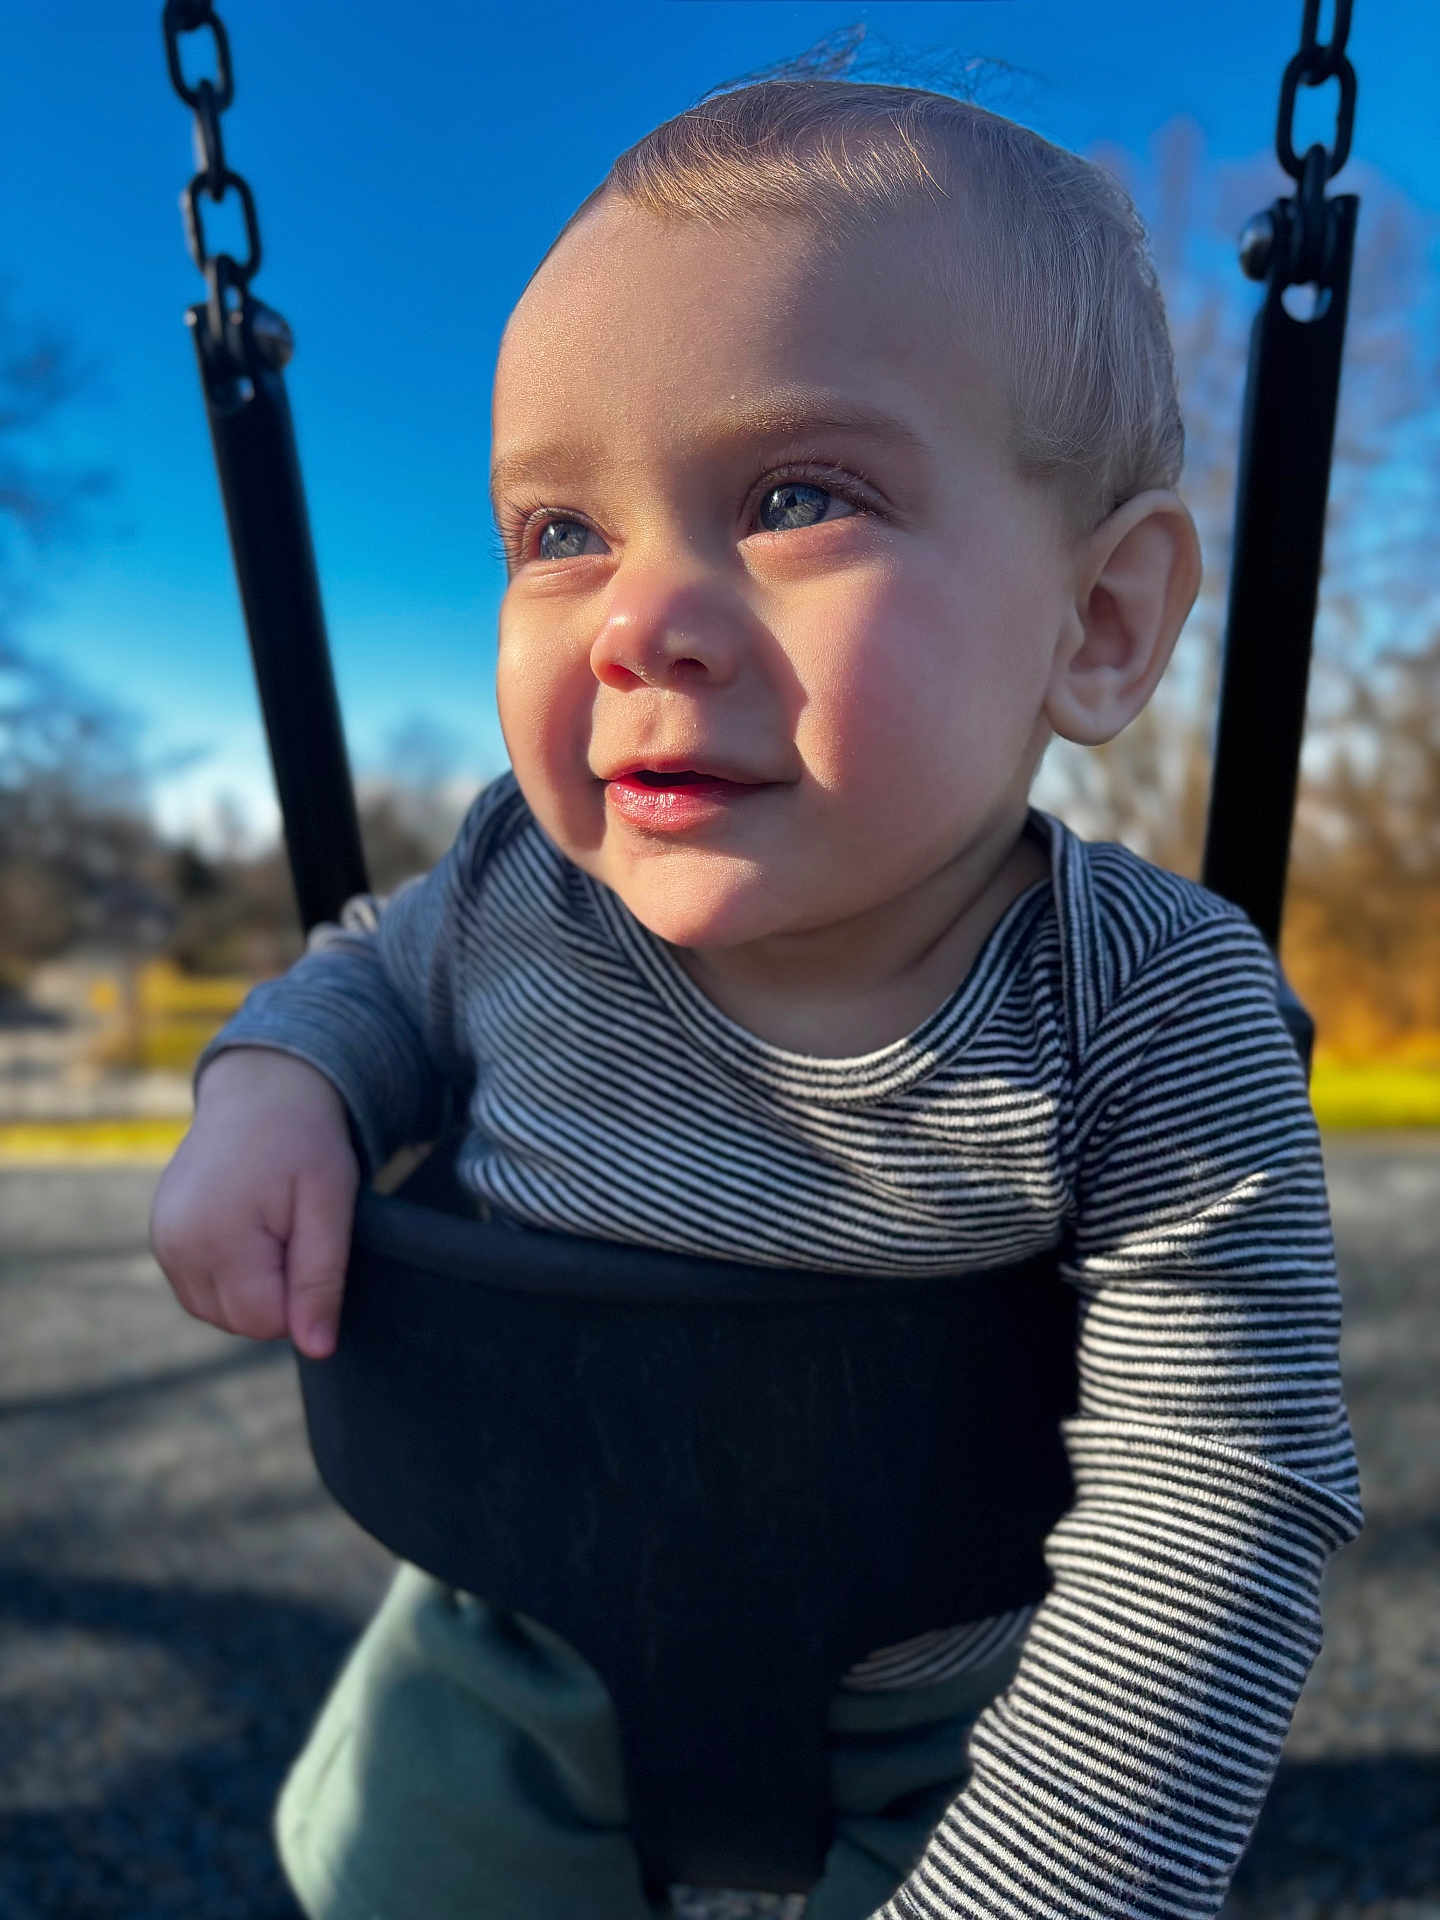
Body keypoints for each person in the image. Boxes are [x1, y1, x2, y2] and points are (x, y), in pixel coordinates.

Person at [148, 76, 1364, 1920]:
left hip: (977, 1724)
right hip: (507, 1661)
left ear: (1099, 624)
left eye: (798, 497)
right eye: (562, 532)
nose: (639, 618)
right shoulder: (515, 879)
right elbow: (360, 984)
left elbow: (1225, 1499)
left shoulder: (1151, 1004)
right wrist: (275, 1093)